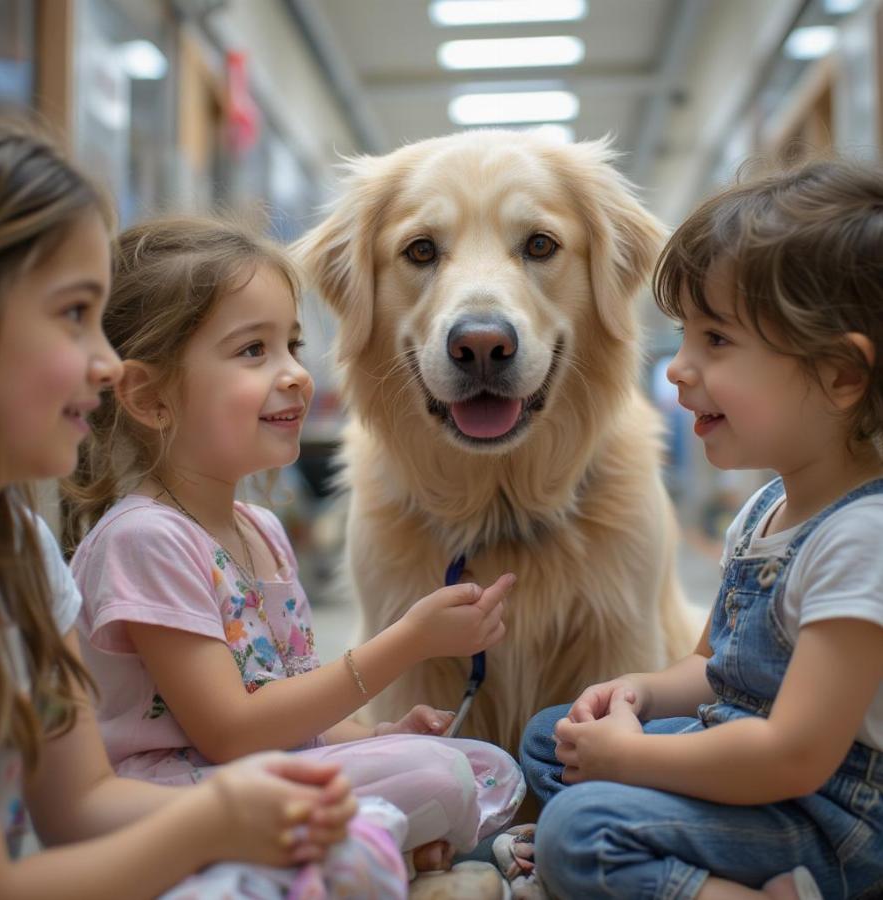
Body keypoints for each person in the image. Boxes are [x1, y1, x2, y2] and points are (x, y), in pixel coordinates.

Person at [0, 117, 408, 900]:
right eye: (74, 314)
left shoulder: (22, 550)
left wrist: (266, 816)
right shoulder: (141, 537)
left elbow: (78, 803)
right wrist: (218, 820)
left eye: (291, 346)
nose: (105, 362)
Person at [63, 213, 524, 883]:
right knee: (443, 779)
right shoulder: (145, 539)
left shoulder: (263, 532)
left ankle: (364, 843)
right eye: (254, 351)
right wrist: (407, 643)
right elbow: (229, 731)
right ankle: (361, 847)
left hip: (262, 769)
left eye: (293, 345)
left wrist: (373, 737)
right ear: (150, 396)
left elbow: (287, 699)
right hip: (181, 794)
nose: (294, 376)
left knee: (485, 767)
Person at [514, 158, 883, 900]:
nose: (678, 369)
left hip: (832, 818)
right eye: (685, 336)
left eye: (715, 340)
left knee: (579, 831)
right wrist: (641, 696)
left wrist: (632, 763)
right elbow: (714, 670)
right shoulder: (767, 508)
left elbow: (794, 756)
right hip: (747, 761)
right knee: (550, 738)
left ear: (841, 375)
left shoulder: (861, 540)